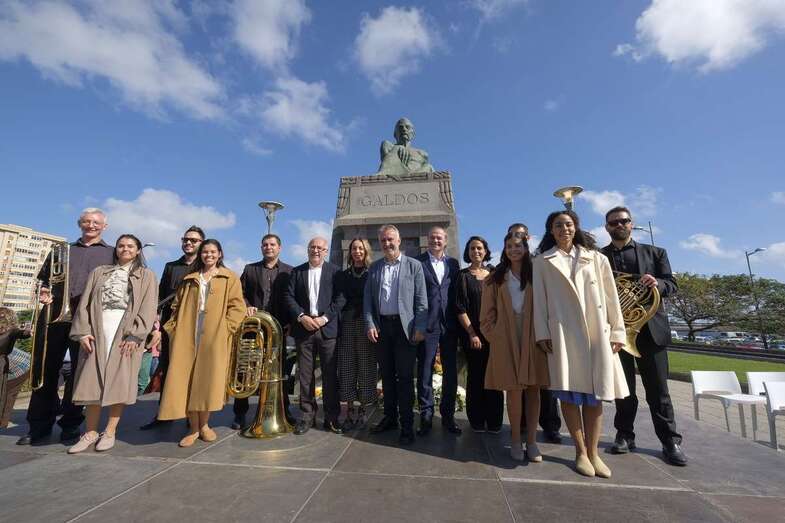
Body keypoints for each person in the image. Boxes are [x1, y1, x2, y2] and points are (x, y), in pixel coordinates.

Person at [533, 210, 629, 478]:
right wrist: (542, 333)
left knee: (596, 394)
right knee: (569, 393)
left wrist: (617, 332)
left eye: (568, 224)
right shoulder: (542, 261)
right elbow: (540, 300)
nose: (564, 229)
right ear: (551, 230)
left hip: (596, 331)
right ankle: (580, 452)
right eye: (558, 225)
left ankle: (594, 452)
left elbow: (611, 297)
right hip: (562, 333)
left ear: (575, 227)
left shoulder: (597, 258)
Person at [18, 208, 115, 446]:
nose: (91, 225)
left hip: (88, 321)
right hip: (54, 318)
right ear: (80, 224)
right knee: (45, 372)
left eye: (96, 222)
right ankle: (39, 426)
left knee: (79, 376)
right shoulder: (61, 250)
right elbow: (44, 280)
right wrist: (43, 291)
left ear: (104, 226)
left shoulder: (111, 253)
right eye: (86, 221)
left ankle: (70, 425)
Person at [601, 206, 687, 466]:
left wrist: (657, 283)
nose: (619, 225)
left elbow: (672, 284)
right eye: (613, 222)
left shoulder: (656, 252)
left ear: (631, 223)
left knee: (659, 391)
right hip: (617, 332)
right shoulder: (599, 257)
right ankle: (624, 435)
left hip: (650, 331)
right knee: (623, 389)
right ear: (607, 227)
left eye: (624, 221)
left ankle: (670, 441)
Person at [66, 235, 158, 453]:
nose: (125, 249)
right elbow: (85, 304)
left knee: (120, 381)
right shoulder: (99, 272)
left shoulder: (146, 275)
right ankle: (90, 432)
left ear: (138, 250)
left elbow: (148, 306)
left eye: (130, 246)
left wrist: (136, 335)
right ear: (115, 249)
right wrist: (83, 332)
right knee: (91, 381)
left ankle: (109, 431)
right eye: (121, 245)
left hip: (126, 332)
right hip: (98, 329)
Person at [158, 239, 245, 447]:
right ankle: (193, 428)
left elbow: (237, 307)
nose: (209, 255)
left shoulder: (229, 277)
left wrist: (226, 328)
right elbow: (176, 306)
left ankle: (204, 425)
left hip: (214, 335)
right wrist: (173, 329)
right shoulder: (190, 278)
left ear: (220, 254)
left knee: (207, 380)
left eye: (213, 251)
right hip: (188, 334)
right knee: (186, 379)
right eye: (205, 251)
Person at [481, 233, 549, 462]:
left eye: (518, 246)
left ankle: (532, 441)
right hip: (506, 336)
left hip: (533, 334)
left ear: (526, 248)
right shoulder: (496, 278)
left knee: (533, 389)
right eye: (509, 246)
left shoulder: (537, 274)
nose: (513, 250)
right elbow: (486, 314)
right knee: (513, 390)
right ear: (504, 250)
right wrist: (495, 337)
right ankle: (516, 440)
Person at [364, 224, 428, 445]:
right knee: (387, 377)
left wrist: (420, 327)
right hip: (382, 329)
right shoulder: (374, 268)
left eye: (390, 239)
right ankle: (390, 418)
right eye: (383, 240)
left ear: (399, 241)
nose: (387, 243)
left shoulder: (414, 266)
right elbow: (368, 301)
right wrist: (370, 324)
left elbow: (421, 300)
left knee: (405, 378)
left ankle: (407, 425)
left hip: (405, 330)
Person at [139, 225, 204, 430]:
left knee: (193, 371)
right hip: (170, 326)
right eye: (186, 239)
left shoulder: (206, 266)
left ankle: (191, 416)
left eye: (194, 240)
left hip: (195, 327)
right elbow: (160, 296)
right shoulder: (171, 266)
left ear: (202, 243)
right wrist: (156, 327)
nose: (189, 243)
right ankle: (164, 414)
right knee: (167, 369)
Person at [284, 237, 345, 435]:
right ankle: (307, 416)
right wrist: (302, 317)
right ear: (307, 249)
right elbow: (288, 296)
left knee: (330, 375)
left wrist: (324, 318)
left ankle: (331, 417)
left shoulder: (336, 272)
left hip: (327, 330)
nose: (316, 250)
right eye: (312, 247)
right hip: (304, 329)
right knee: (305, 376)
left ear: (326, 251)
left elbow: (340, 298)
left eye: (320, 248)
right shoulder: (297, 271)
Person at [508, 222, 562, 444]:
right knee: (519, 383)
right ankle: (521, 424)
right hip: (514, 333)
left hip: (538, 330)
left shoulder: (538, 263)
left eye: (521, 236)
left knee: (543, 384)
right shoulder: (505, 268)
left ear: (528, 239)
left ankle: (550, 425)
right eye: (513, 236)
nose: (517, 240)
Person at [233, 233, 293, 430]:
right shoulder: (250, 269)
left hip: (279, 331)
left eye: (272, 244)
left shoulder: (289, 271)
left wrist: (291, 323)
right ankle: (240, 413)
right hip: (255, 330)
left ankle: (284, 410)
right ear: (261, 248)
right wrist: (246, 305)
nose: (269, 247)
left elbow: (293, 298)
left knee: (279, 372)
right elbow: (239, 294)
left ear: (279, 248)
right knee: (246, 370)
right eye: (265, 244)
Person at [416, 226, 461, 435]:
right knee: (425, 370)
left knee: (450, 372)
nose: (436, 240)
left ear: (445, 240)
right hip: (428, 324)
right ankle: (426, 415)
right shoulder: (418, 262)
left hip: (449, 324)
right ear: (428, 240)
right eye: (432, 237)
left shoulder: (453, 264)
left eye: (439, 238)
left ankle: (448, 416)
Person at [456, 237, 503, 434]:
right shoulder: (463, 276)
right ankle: (476, 419)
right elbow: (460, 308)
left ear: (485, 251)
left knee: (495, 377)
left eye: (479, 248)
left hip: (495, 334)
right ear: (468, 252)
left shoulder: (495, 274)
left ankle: (495, 420)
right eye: (472, 248)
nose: (476, 251)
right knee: (476, 377)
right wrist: (472, 333)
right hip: (474, 335)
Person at [335, 238, 376, 431]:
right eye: (354, 248)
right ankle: (348, 407)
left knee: (366, 366)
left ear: (366, 251)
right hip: (347, 323)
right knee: (347, 365)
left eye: (360, 248)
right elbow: (339, 299)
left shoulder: (373, 273)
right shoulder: (343, 275)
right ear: (350, 251)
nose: (357, 251)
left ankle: (364, 408)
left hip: (367, 324)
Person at [1, 308, 31, 428]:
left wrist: (28, 331)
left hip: (22, 368)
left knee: (7, 394)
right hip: (20, 364)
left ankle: (3, 422)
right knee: (7, 395)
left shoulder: (10, 333)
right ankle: (3, 422)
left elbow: (22, 333)